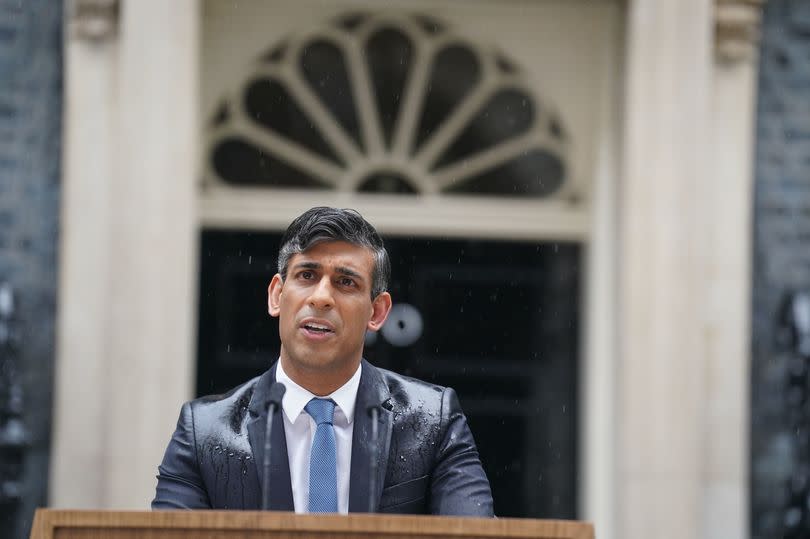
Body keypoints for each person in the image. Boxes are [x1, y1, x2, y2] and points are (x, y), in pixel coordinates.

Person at [152, 207, 494, 516]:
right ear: (276, 295)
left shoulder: (433, 420)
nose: (321, 297)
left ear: (377, 312)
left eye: (346, 282)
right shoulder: (204, 431)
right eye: (306, 276)